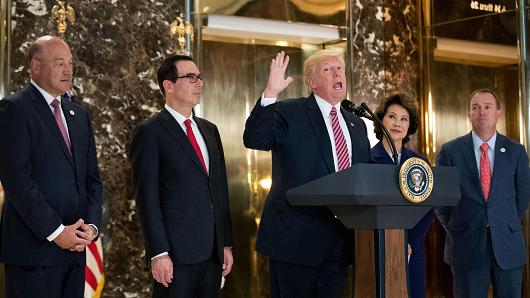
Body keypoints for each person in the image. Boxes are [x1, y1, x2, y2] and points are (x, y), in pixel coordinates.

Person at [243, 50, 372, 297]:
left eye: (340, 69)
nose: (337, 73)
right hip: (295, 241)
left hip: (341, 243)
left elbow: (362, 178)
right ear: (312, 83)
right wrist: (270, 94)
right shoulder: (290, 112)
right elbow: (255, 138)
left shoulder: (357, 123)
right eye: (328, 69)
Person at [0, 35, 102, 298]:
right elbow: (16, 180)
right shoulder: (14, 108)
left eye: (69, 63)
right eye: (59, 63)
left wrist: (90, 228)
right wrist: (56, 232)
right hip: (34, 252)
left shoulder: (79, 116)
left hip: (76, 251)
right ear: (36, 66)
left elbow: (91, 180)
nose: (68, 70)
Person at [129, 55, 234, 298]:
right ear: (169, 85)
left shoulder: (210, 130)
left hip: (212, 254)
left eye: (200, 77)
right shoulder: (149, 132)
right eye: (191, 77)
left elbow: (220, 191)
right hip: (175, 255)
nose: (199, 83)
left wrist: (225, 243)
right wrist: (158, 253)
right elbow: (147, 199)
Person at [436, 89, 530, 297]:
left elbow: (523, 197)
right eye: (475, 108)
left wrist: (503, 221)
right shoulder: (450, 152)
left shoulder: (516, 151)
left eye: (487, 107)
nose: (482, 112)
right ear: (469, 114)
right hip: (466, 246)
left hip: (507, 246)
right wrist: (456, 226)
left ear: (499, 113)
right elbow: (441, 201)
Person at [371, 94, 434, 298]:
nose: (397, 123)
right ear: (381, 120)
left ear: (409, 126)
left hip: (411, 248)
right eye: (392, 117)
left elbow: (428, 207)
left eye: (404, 119)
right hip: (376, 248)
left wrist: (410, 242)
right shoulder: (366, 160)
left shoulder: (419, 161)